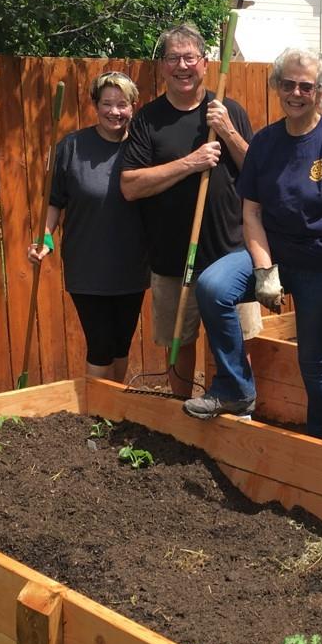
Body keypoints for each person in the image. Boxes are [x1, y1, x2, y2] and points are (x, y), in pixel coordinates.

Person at [192, 49, 322, 438]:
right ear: (277, 87)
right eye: (288, 84)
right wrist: (265, 270)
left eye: (306, 86)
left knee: (314, 361)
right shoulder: (265, 143)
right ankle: (235, 388)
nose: (296, 93)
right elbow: (251, 214)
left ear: (319, 91)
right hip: (274, 254)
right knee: (213, 286)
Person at [120, 23, 259, 400]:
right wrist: (191, 163)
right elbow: (130, 186)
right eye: (173, 58)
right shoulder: (149, 119)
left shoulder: (228, 110)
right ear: (162, 66)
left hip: (230, 255)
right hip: (172, 259)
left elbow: (258, 175)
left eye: (189, 58)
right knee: (178, 345)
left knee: (237, 342)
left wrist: (228, 132)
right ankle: (182, 413)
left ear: (205, 63)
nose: (182, 66)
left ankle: (240, 409)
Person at [27, 71, 148, 382]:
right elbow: (53, 202)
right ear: (95, 105)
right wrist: (45, 240)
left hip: (131, 266)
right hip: (87, 266)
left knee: (121, 344)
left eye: (122, 104)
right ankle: (95, 408)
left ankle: (115, 404)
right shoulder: (71, 147)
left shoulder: (141, 148)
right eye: (107, 103)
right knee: (100, 346)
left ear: (133, 106)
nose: (114, 111)